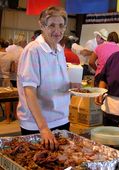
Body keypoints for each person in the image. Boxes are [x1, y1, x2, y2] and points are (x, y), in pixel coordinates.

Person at [17, 6, 78, 150]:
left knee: (62, 162)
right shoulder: (33, 50)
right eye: (51, 25)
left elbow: (53, 82)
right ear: (42, 25)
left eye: (61, 25)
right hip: (38, 124)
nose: (57, 31)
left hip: (61, 119)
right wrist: (43, 128)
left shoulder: (58, 49)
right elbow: (29, 92)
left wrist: (71, 85)